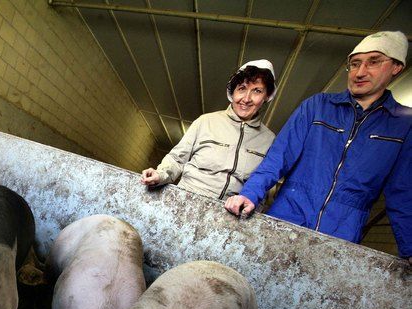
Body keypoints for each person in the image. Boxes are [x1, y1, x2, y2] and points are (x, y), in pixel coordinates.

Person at [224, 31, 411, 263]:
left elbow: (403, 191)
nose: (360, 72)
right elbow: (278, 157)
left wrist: (410, 246)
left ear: (396, 67)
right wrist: (250, 194)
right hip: (287, 215)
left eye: (374, 61)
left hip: (342, 232)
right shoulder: (317, 106)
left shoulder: (404, 125)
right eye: (355, 64)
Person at [140, 59, 277, 200]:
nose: (246, 99)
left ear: (266, 96)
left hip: (230, 216)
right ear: (233, 92)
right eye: (241, 89)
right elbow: (177, 159)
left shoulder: (270, 140)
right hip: (186, 201)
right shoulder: (206, 122)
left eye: (257, 91)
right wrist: (160, 174)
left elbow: (265, 186)